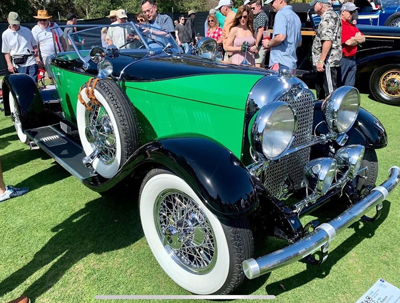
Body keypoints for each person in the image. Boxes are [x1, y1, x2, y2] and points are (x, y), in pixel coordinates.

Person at [311, 0, 342, 99]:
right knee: (322, 91)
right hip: (327, 61)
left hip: (328, 61)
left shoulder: (328, 17)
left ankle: (330, 113)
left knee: (330, 94)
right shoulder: (331, 15)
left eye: (314, 4)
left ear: (320, 5)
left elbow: (327, 40)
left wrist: (321, 60)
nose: (313, 7)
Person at [2, 12, 42, 83]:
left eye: (16, 24)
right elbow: (6, 51)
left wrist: (37, 58)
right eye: (13, 24)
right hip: (19, 64)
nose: (15, 26)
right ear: (8, 20)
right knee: (23, 84)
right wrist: (9, 64)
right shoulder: (5, 34)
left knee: (33, 83)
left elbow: (34, 45)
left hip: (31, 61)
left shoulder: (27, 30)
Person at [263, 0, 302, 72]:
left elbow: (280, 37)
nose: (271, 6)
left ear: (280, 0)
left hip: (280, 63)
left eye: (272, 2)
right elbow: (299, 43)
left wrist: (268, 44)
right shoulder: (296, 17)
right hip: (292, 65)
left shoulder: (281, 14)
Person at [31, 10, 66, 81]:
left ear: (48, 19)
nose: (42, 22)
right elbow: (35, 46)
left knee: (63, 73)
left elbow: (62, 38)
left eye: (44, 20)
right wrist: (38, 59)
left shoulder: (54, 25)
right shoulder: (35, 30)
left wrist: (65, 51)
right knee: (51, 75)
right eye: (40, 20)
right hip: (46, 56)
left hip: (60, 54)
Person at [340, 2, 365, 86]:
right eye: (350, 12)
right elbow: (348, 42)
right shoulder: (340, 25)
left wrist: (354, 39)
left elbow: (363, 38)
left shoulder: (352, 26)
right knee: (338, 84)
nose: (352, 14)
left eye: (353, 12)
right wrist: (356, 39)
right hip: (342, 59)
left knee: (349, 87)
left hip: (352, 60)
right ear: (343, 11)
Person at [250, 0, 268, 68]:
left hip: (260, 46)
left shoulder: (261, 16)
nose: (252, 10)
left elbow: (260, 31)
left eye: (253, 8)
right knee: (261, 66)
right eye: (251, 8)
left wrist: (256, 45)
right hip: (259, 45)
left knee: (257, 66)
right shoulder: (257, 16)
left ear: (259, 7)